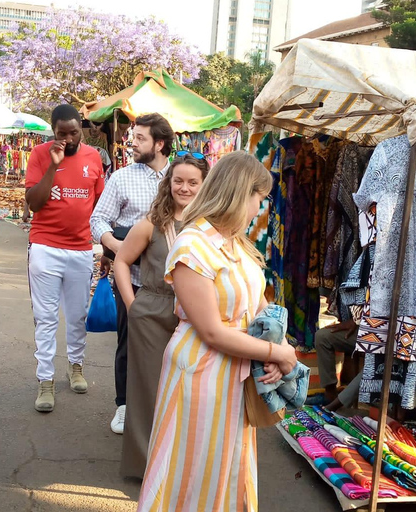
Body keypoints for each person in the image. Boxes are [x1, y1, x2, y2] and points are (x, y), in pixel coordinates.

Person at [137, 152, 298, 511]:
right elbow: (211, 331)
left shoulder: (235, 242)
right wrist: (278, 354)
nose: (260, 209)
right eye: (259, 199)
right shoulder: (192, 245)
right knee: (192, 469)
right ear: (241, 193)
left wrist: (277, 344)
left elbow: (258, 307)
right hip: (203, 375)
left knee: (227, 464)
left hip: (236, 371)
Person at [114, 153, 210, 479]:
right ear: (168, 183)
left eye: (192, 182)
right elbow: (121, 261)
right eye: (178, 180)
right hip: (152, 313)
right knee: (148, 392)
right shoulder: (152, 224)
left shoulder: (210, 225)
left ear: (204, 185)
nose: (184, 188)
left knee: (189, 391)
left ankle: (181, 466)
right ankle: (146, 469)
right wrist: (132, 305)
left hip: (195, 317)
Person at [90, 113, 174, 434]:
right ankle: (124, 406)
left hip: (172, 283)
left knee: (169, 345)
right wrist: (118, 247)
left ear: (160, 143)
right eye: (132, 136)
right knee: (129, 342)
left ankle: (161, 405)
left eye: (140, 138)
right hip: (132, 280)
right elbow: (98, 221)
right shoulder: (121, 178)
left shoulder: (178, 179)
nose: (132, 143)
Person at [25, 104, 105, 412]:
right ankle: (45, 382)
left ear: (81, 129)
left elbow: (99, 205)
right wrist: (52, 167)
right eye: (62, 133)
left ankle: (76, 366)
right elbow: (34, 203)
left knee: (77, 315)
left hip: (81, 249)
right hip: (45, 247)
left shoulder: (94, 157)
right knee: (45, 319)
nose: (69, 139)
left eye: (74, 132)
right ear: (53, 130)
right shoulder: (40, 154)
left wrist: (104, 247)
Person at [311, 320, 362, 411]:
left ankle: (337, 404)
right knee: (322, 336)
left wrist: (355, 321)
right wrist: (354, 320)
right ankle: (330, 395)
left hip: (387, 336)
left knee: (375, 363)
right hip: (364, 329)